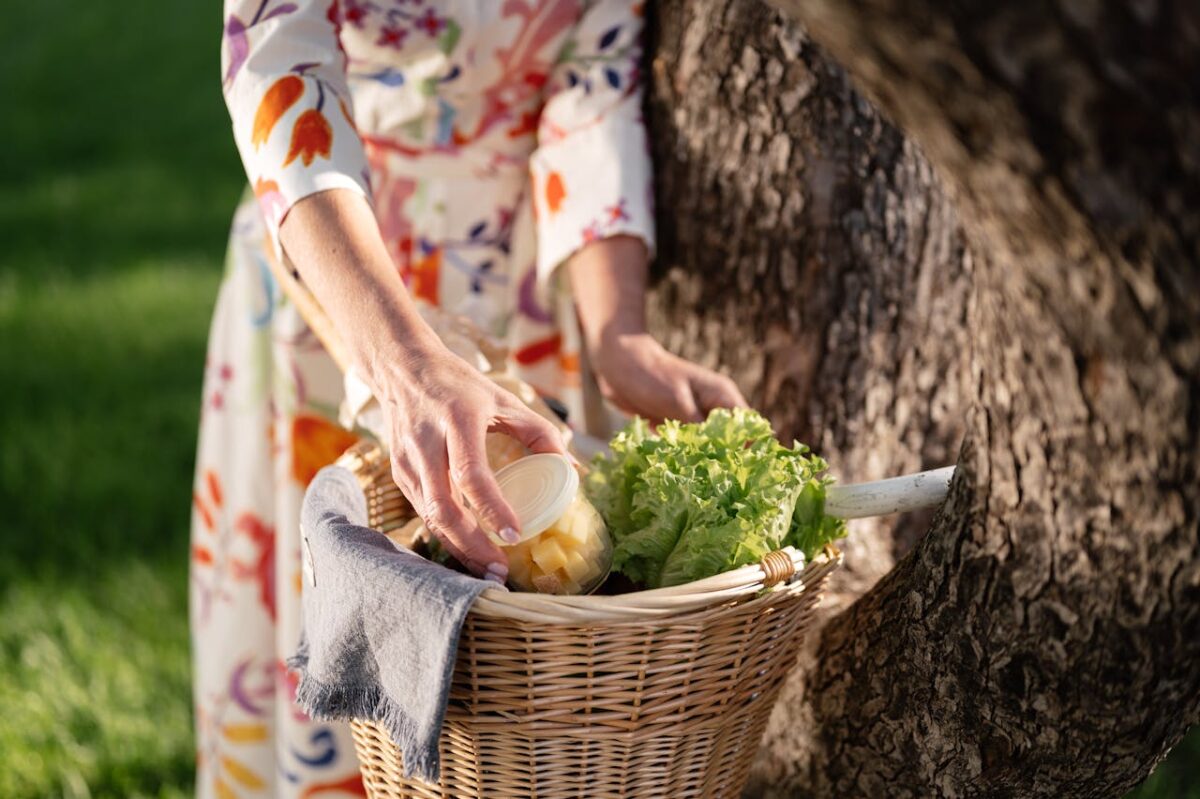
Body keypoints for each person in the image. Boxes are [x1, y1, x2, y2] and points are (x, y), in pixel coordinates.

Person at [190, 0, 746, 795]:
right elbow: (277, 55)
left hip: (519, 283)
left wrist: (618, 333)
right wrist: (400, 356)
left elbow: (593, 80)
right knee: (337, 636)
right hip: (340, 266)